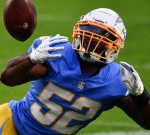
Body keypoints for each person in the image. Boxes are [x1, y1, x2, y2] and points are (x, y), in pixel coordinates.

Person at [0, 8, 150, 135]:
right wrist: (31, 58)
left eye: (99, 39)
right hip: (10, 124)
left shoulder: (117, 79)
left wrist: (141, 95)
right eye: (87, 32)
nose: (89, 40)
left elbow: (146, 122)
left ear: (113, 46)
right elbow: (8, 78)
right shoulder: (56, 51)